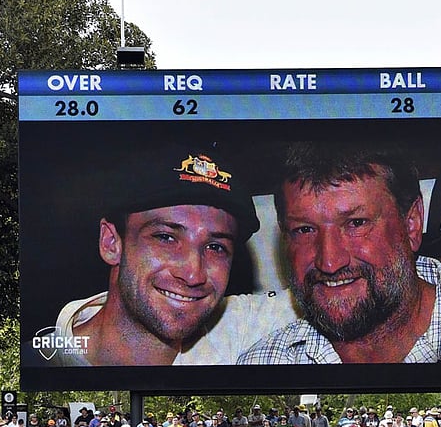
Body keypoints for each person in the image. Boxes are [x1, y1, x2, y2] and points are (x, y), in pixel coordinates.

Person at [238, 140, 441, 364]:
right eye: (305, 230)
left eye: (356, 223)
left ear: (411, 224)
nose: (329, 262)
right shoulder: (266, 361)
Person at [39, 144, 298, 367]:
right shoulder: (42, 359)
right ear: (111, 242)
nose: (193, 274)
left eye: (215, 247)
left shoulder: (240, 329)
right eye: (166, 237)